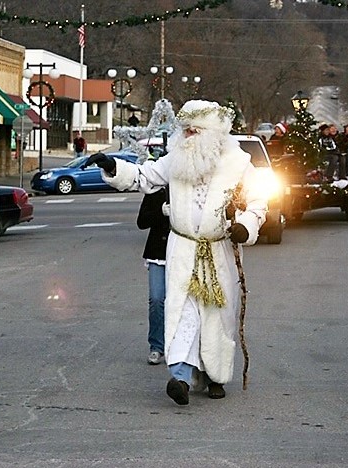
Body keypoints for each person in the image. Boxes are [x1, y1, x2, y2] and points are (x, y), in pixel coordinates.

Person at [85, 100, 268, 405]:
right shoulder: (176, 159)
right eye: (186, 130)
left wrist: (246, 226)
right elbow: (144, 177)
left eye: (195, 130)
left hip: (218, 250)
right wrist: (113, 167)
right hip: (182, 248)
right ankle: (180, 377)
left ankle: (214, 376)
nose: (189, 136)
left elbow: (259, 201)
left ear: (213, 133)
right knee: (183, 312)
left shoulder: (238, 163)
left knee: (217, 313)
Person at [136, 185, 170, 365]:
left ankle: (179, 347)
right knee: (156, 299)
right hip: (157, 253)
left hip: (183, 252)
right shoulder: (155, 189)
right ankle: (156, 346)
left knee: (182, 302)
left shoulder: (189, 184)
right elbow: (141, 221)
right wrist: (161, 212)